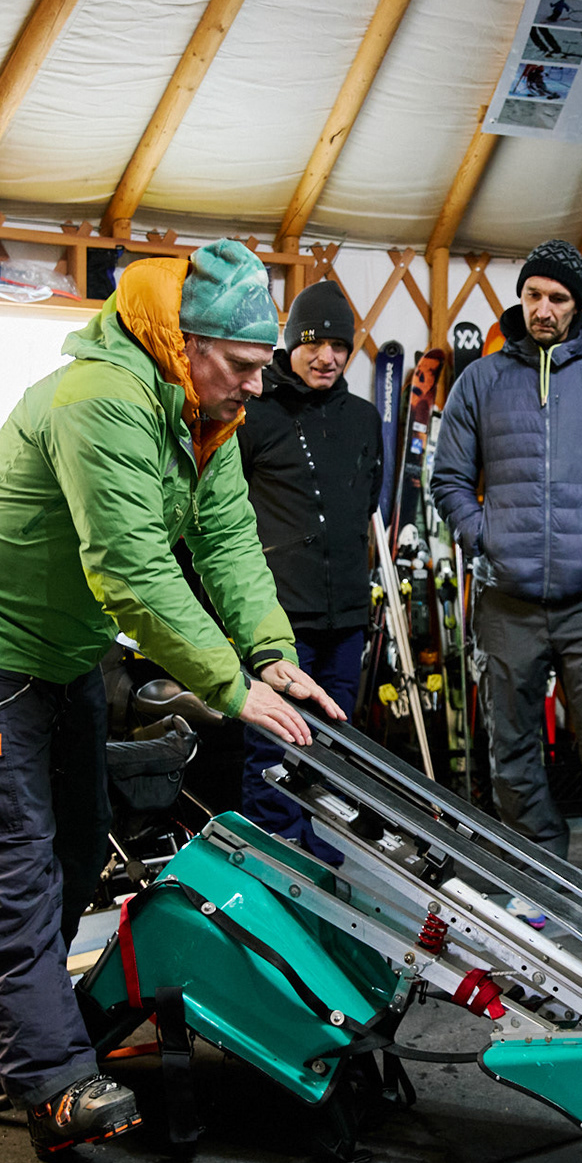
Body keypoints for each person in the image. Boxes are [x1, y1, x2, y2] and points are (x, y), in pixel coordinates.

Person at [0, 240, 344, 1157]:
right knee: (17, 858)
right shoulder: (102, 398)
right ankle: (54, 1084)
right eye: (246, 366)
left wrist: (269, 651)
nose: (259, 387)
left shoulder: (200, 416)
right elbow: (132, 571)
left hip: (61, 652)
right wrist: (228, 687)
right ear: (184, 342)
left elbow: (227, 544)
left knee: (72, 845)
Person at [431, 238, 582, 908]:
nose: (542, 308)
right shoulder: (481, 379)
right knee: (512, 749)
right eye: (533, 294)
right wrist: (485, 538)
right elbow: (449, 479)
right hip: (507, 600)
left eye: (557, 298)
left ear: (576, 308)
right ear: (520, 297)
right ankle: (536, 884)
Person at [237, 280, 381, 863]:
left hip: (346, 616)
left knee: (329, 742)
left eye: (340, 346)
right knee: (273, 737)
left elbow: (367, 498)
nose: (328, 357)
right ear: (291, 343)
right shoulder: (255, 413)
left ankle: (314, 842)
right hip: (279, 616)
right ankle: (272, 852)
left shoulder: (365, 419)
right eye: (315, 343)